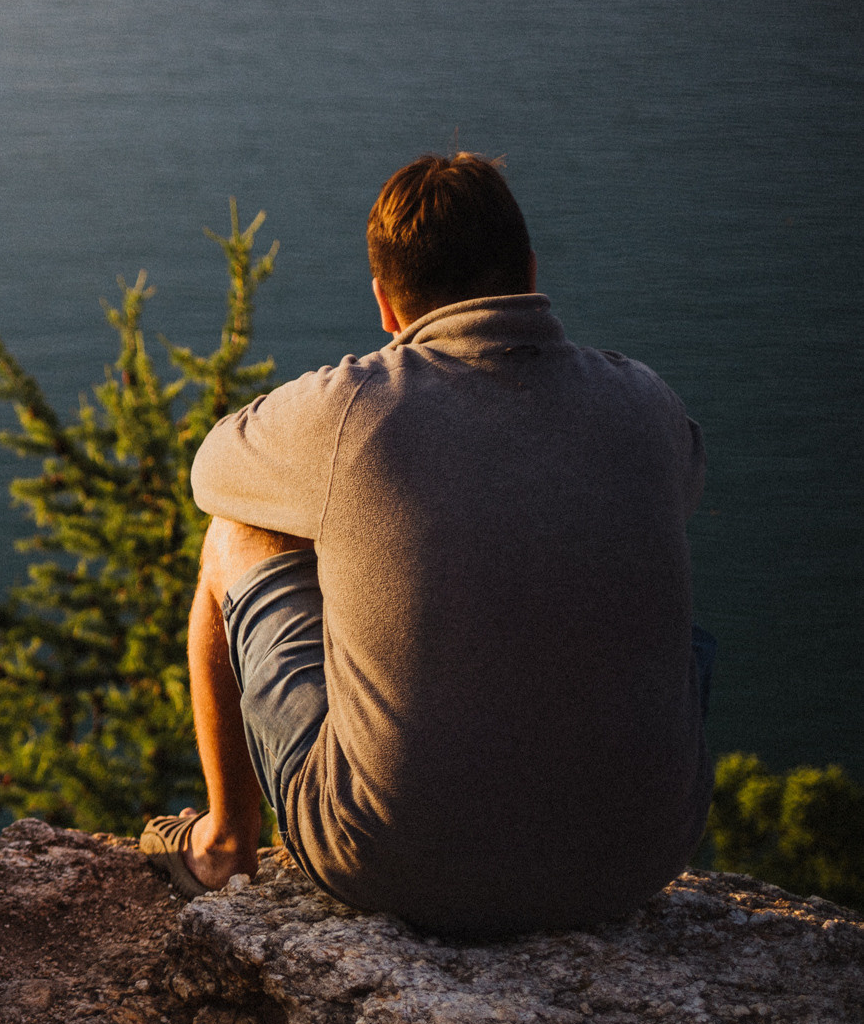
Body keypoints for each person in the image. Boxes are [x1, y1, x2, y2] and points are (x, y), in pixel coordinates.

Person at [141, 154, 712, 937]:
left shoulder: (355, 407)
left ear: (385, 302)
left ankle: (224, 843)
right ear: (531, 272)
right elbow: (679, 491)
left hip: (390, 860)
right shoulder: (650, 404)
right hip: (641, 855)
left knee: (235, 530)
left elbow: (212, 469)